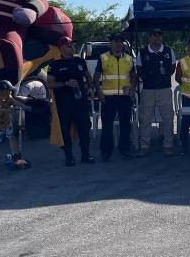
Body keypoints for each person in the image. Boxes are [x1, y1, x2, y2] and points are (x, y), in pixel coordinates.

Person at [48, 36, 95, 166]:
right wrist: (65, 83)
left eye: (73, 44)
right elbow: (50, 83)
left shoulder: (80, 61)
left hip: (81, 102)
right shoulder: (55, 64)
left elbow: (87, 76)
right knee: (65, 131)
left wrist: (90, 87)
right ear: (62, 48)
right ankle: (69, 157)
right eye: (69, 45)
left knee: (85, 129)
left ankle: (86, 155)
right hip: (65, 104)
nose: (72, 47)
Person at [93, 32, 136, 161]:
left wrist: (133, 89)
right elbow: (96, 77)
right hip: (108, 98)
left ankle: (125, 150)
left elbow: (133, 75)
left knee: (125, 125)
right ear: (111, 43)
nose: (118, 44)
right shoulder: (103, 58)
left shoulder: (128, 59)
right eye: (115, 41)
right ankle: (106, 152)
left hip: (125, 97)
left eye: (120, 41)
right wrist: (99, 93)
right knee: (107, 126)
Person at [135, 28, 177, 157]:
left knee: (168, 118)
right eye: (154, 35)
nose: (156, 38)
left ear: (161, 37)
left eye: (159, 35)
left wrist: (161, 79)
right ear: (150, 37)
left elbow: (172, 68)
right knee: (145, 119)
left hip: (164, 89)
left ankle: (168, 145)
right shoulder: (142, 52)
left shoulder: (169, 51)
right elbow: (139, 70)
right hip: (148, 90)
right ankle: (144, 146)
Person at [0, 79, 30, 166]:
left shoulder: (9, 96)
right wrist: (7, 110)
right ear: (2, 90)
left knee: (11, 137)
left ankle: (15, 156)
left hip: (7, 122)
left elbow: (15, 103)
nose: (10, 91)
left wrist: (26, 107)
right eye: (9, 89)